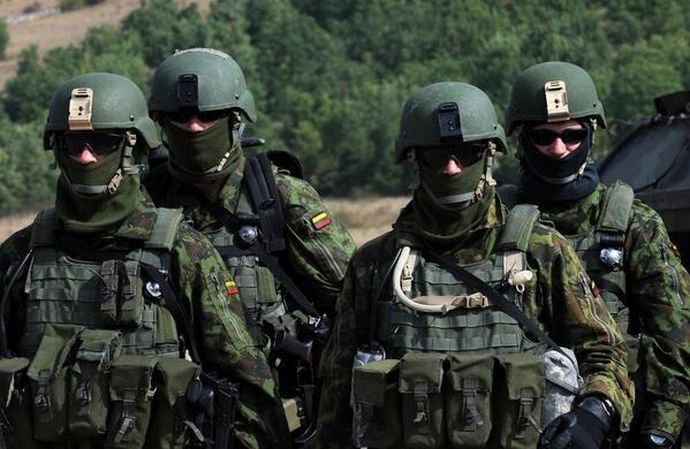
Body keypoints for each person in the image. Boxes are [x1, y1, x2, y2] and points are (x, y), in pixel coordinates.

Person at [316, 81, 634, 449]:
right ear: (414, 160)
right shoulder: (377, 264)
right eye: (437, 155)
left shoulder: (540, 250)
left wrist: (594, 412)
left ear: (488, 155)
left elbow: (605, 350)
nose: (452, 167)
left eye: (466, 153)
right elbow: (338, 385)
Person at [0, 72, 290, 449]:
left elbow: (249, 387)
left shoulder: (183, 252)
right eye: (73, 142)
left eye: (103, 142)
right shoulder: (21, 255)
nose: (86, 156)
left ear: (132, 147)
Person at [144, 48, 356, 440]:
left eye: (207, 115)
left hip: (276, 420)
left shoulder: (278, 199)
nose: (194, 127)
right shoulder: (147, 205)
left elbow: (354, 301)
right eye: (181, 117)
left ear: (236, 118)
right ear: (160, 123)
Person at [504, 61, 690, 449]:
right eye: (544, 136)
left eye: (572, 135)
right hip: (517, 423)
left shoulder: (633, 223)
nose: (559, 149)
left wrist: (659, 432)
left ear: (590, 134)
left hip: (616, 428)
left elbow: (675, 339)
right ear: (522, 139)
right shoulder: (498, 220)